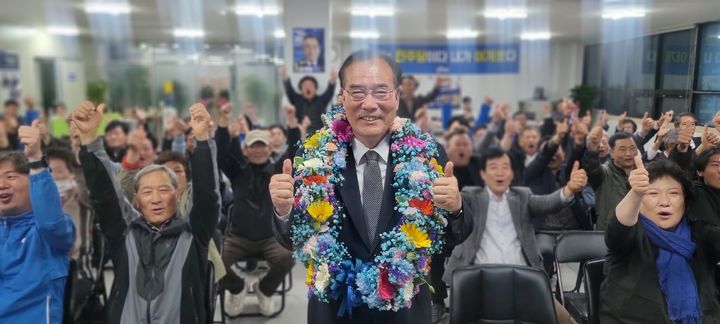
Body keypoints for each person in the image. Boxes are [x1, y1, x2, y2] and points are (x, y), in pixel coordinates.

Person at [269, 50, 470, 324]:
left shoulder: (428, 156)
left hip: (405, 312)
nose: (370, 104)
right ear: (342, 97)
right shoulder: (312, 157)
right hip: (335, 311)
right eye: (358, 92)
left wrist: (456, 208)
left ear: (397, 97)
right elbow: (293, 238)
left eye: (380, 92)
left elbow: (453, 236)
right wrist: (283, 210)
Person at [74, 101, 220, 323]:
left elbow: (208, 197)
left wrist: (202, 141)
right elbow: (104, 195)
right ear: (137, 199)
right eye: (147, 192)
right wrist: (90, 141)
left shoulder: (193, 233)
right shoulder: (125, 232)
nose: (156, 199)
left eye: (164, 190)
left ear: (176, 193)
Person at [443, 148, 587, 324]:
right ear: (483, 173)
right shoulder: (472, 196)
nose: (500, 172)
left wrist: (569, 189)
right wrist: (452, 198)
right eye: (494, 167)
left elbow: (548, 203)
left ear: (512, 173)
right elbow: (458, 205)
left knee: (564, 319)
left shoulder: (522, 196)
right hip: (477, 278)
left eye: (505, 167)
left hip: (523, 277)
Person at [600, 158, 720, 323]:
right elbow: (617, 228)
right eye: (652, 193)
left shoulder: (699, 233)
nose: (664, 202)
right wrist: (635, 193)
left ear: (685, 200)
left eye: (674, 193)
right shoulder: (632, 233)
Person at [217, 103, 301, 317]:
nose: (258, 149)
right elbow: (221, 155)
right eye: (253, 145)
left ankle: (265, 290)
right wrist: (224, 123)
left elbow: (295, 150)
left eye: (261, 145)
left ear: (269, 147)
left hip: (270, 237)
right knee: (215, 261)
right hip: (238, 238)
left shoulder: (277, 169)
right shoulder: (237, 171)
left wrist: (292, 122)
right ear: (246, 149)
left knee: (288, 256)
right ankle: (237, 289)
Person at [0, 121, 76, 323]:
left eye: (11, 176)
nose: (1, 184)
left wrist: (35, 159)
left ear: (32, 180)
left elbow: (49, 221)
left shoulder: (50, 231)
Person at [582, 128, 639, 230]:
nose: (628, 154)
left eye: (632, 148)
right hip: (608, 234)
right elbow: (592, 168)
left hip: (638, 233)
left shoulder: (643, 174)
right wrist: (592, 149)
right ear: (611, 152)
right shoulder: (604, 173)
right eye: (622, 149)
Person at [281, 65, 337, 133]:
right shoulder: (296, 99)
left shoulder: (322, 100)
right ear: (300, 89)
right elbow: (289, 89)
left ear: (315, 88)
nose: (308, 87)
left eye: (310, 85)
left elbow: (330, 91)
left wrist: (333, 79)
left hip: (319, 136)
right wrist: (285, 76)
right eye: (304, 85)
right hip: (299, 136)